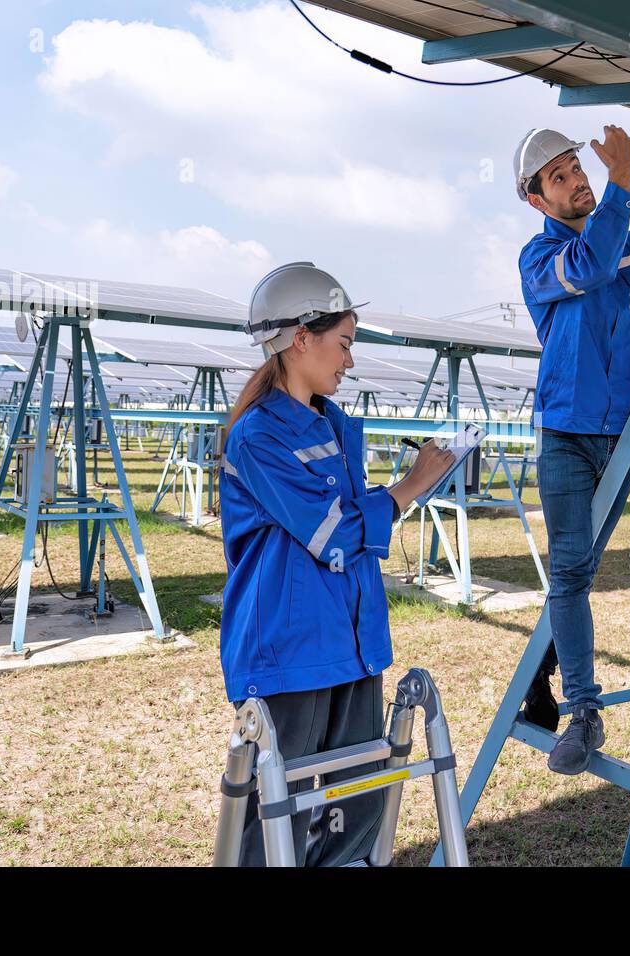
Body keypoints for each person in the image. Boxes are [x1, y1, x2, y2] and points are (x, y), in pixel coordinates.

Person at [218, 262, 454, 865]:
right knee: (279, 815)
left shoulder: (339, 425)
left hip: (354, 643)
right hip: (290, 653)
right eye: (344, 344)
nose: (350, 361)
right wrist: (411, 485)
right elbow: (334, 535)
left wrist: (408, 489)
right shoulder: (257, 436)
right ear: (301, 338)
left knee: (356, 806)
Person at [514, 125, 630, 774]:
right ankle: (584, 710)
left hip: (621, 436)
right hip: (566, 436)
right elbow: (590, 267)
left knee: (579, 573)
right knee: (570, 572)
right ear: (537, 201)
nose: (575, 180)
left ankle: (537, 678)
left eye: (575, 168)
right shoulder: (541, 260)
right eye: (558, 177)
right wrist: (623, 183)